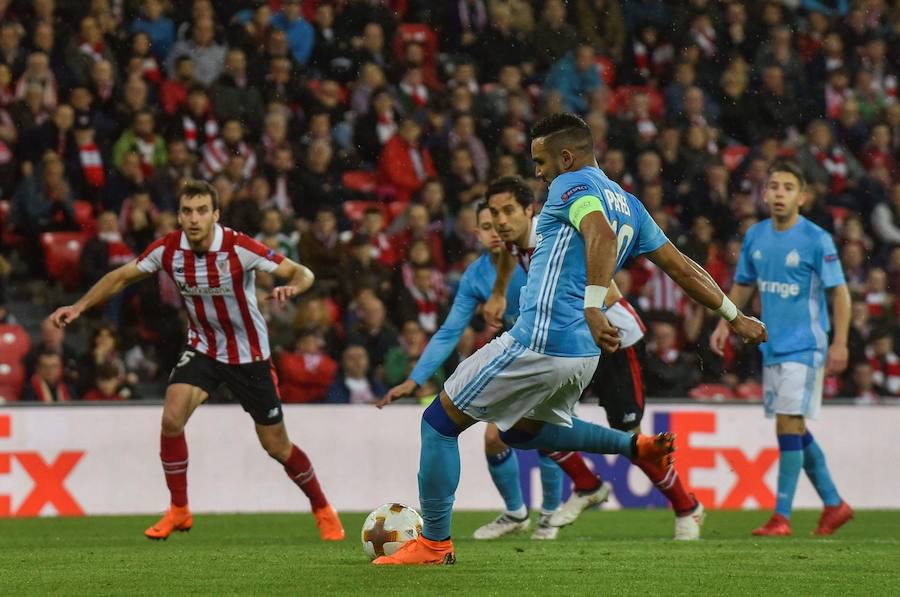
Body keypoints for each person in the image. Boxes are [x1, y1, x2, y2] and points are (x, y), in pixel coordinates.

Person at [374, 113, 766, 565]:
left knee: (438, 424)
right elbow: (680, 266)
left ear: (565, 156)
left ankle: (434, 545)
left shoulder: (569, 185)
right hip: (582, 354)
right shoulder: (630, 203)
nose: (538, 172)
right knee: (524, 431)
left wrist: (593, 303)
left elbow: (596, 230)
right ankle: (632, 447)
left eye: (541, 161)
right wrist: (734, 316)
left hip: (541, 340)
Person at [49, 179, 345, 542]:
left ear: (215, 215)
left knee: (276, 446)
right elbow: (121, 276)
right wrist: (78, 307)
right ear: (179, 215)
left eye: (202, 210)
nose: (194, 218)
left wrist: (293, 287)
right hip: (204, 347)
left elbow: (303, 272)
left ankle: (322, 508)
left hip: (248, 356)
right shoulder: (169, 249)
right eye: (187, 211)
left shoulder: (238, 247)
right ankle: (179, 509)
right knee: (171, 418)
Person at [485, 176, 705, 539]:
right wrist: (497, 294)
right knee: (530, 421)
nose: (500, 222)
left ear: (530, 211)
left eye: (508, 211)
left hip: (615, 338)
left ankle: (687, 507)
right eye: (494, 214)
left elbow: (610, 289)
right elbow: (508, 260)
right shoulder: (513, 244)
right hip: (574, 343)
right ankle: (587, 484)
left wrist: (578, 308)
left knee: (629, 436)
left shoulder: (549, 235)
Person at [384, 201, 566, 540]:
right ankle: (517, 512)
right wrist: (416, 378)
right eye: (485, 226)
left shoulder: (539, 254)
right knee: (496, 438)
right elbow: (450, 331)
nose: (494, 231)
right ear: (477, 234)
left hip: (557, 347)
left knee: (536, 431)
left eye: (498, 222)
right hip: (517, 350)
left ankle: (550, 515)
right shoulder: (476, 276)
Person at [711, 161, 854, 537]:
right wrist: (724, 323)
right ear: (764, 193)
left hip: (806, 346)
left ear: (802, 197)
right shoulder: (756, 236)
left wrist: (840, 341)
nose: (778, 193)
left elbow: (838, 292)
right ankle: (835, 504)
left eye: (787, 187)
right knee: (792, 428)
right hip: (770, 346)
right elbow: (742, 286)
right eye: (773, 186)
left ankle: (781, 517)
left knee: (789, 424)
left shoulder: (816, 239)